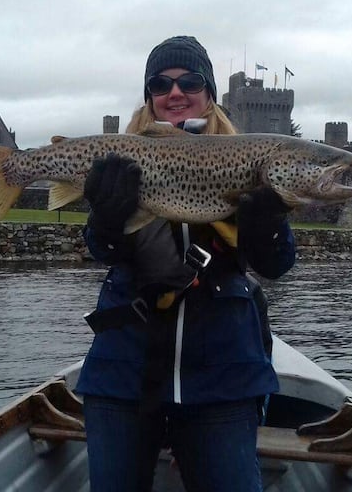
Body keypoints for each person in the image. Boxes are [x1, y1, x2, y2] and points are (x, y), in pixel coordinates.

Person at [74, 35, 297, 491]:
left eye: (189, 81)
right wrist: (107, 217)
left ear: (210, 92)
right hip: (123, 369)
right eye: (160, 84)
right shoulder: (122, 157)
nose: (174, 92)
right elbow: (103, 252)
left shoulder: (252, 159)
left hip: (222, 374)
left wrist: (268, 222)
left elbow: (276, 264)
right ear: (149, 97)